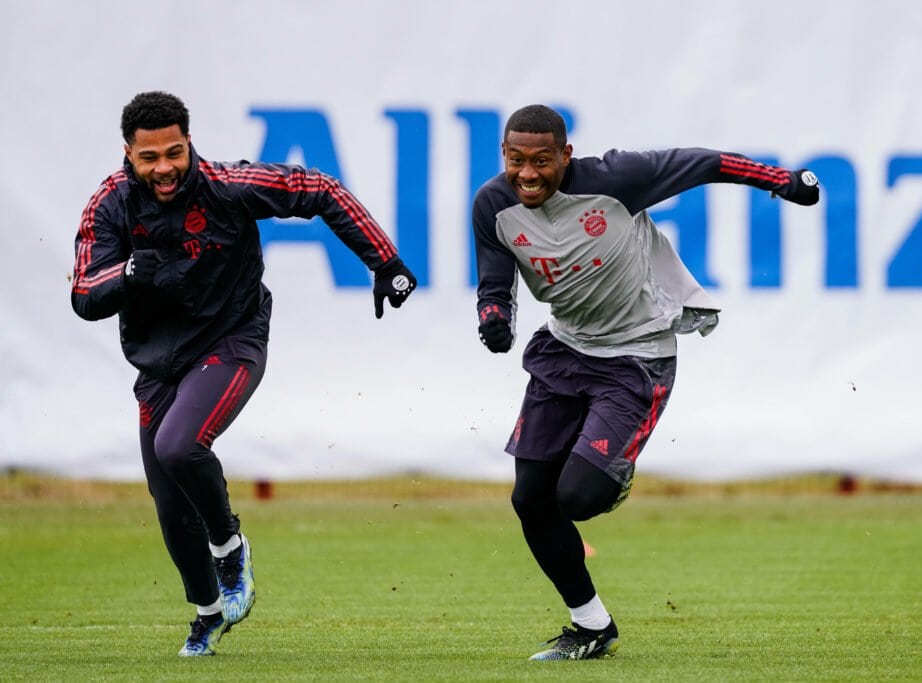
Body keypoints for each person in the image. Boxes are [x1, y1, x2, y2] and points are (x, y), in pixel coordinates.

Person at [71, 91, 416, 656]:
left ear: (189, 143)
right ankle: (208, 614)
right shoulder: (109, 205)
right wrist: (129, 272)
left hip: (232, 338)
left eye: (175, 152)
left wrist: (386, 261)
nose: (165, 168)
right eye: (150, 157)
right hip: (159, 362)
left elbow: (321, 190)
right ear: (128, 155)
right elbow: (84, 293)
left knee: (179, 446)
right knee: (167, 496)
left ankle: (229, 546)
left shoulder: (227, 184)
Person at [473, 105, 819, 660]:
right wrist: (493, 317)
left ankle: (610, 473)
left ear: (566, 155)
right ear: (504, 158)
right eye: (516, 161)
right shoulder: (494, 203)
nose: (528, 174)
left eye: (542, 161)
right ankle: (591, 628)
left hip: (636, 357)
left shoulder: (616, 179)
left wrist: (781, 181)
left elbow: (705, 163)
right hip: (564, 351)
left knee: (580, 498)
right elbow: (494, 280)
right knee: (530, 500)